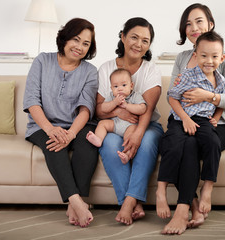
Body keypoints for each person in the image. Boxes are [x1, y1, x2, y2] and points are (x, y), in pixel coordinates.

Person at [156, 3, 225, 235]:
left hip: (217, 123)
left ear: (210, 24)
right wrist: (183, 117)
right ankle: (191, 206)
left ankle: (183, 209)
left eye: (199, 21)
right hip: (188, 120)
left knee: (193, 142)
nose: (193, 27)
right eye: (188, 24)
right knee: (186, 142)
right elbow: (174, 93)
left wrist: (209, 96)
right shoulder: (183, 58)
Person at [23, 18, 98, 228]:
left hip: (77, 126)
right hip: (42, 125)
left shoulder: (90, 71)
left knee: (89, 142)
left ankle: (74, 205)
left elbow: (86, 108)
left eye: (86, 43)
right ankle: (76, 201)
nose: (80, 47)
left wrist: (71, 133)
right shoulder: (42, 61)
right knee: (53, 144)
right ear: (65, 38)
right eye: (76, 39)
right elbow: (31, 101)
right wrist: (50, 128)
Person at [96, 17, 163, 225]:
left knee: (146, 142)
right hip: (116, 126)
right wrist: (118, 114)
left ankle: (128, 202)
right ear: (123, 37)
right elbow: (99, 110)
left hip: (147, 124)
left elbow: (147, 110)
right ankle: (135, 204)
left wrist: (138, 134)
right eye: (134, 37)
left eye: (145, 40)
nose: (139, 44)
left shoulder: (151, 70)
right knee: (109, 145)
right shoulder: (106, 68)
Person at [87, 68, 147, 164]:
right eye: (115, 86)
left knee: (130, 137)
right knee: (102, 123)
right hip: (115, 123)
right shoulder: (111, 96)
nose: (120, 88)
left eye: (124, 85)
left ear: (131, 86)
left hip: (130, 125)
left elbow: (142, 109)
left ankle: (127, 155)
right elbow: (103, 108)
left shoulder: (135, 96)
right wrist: (114, 102)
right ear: (111, 88)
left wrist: (127, 106)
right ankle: (98, 139)